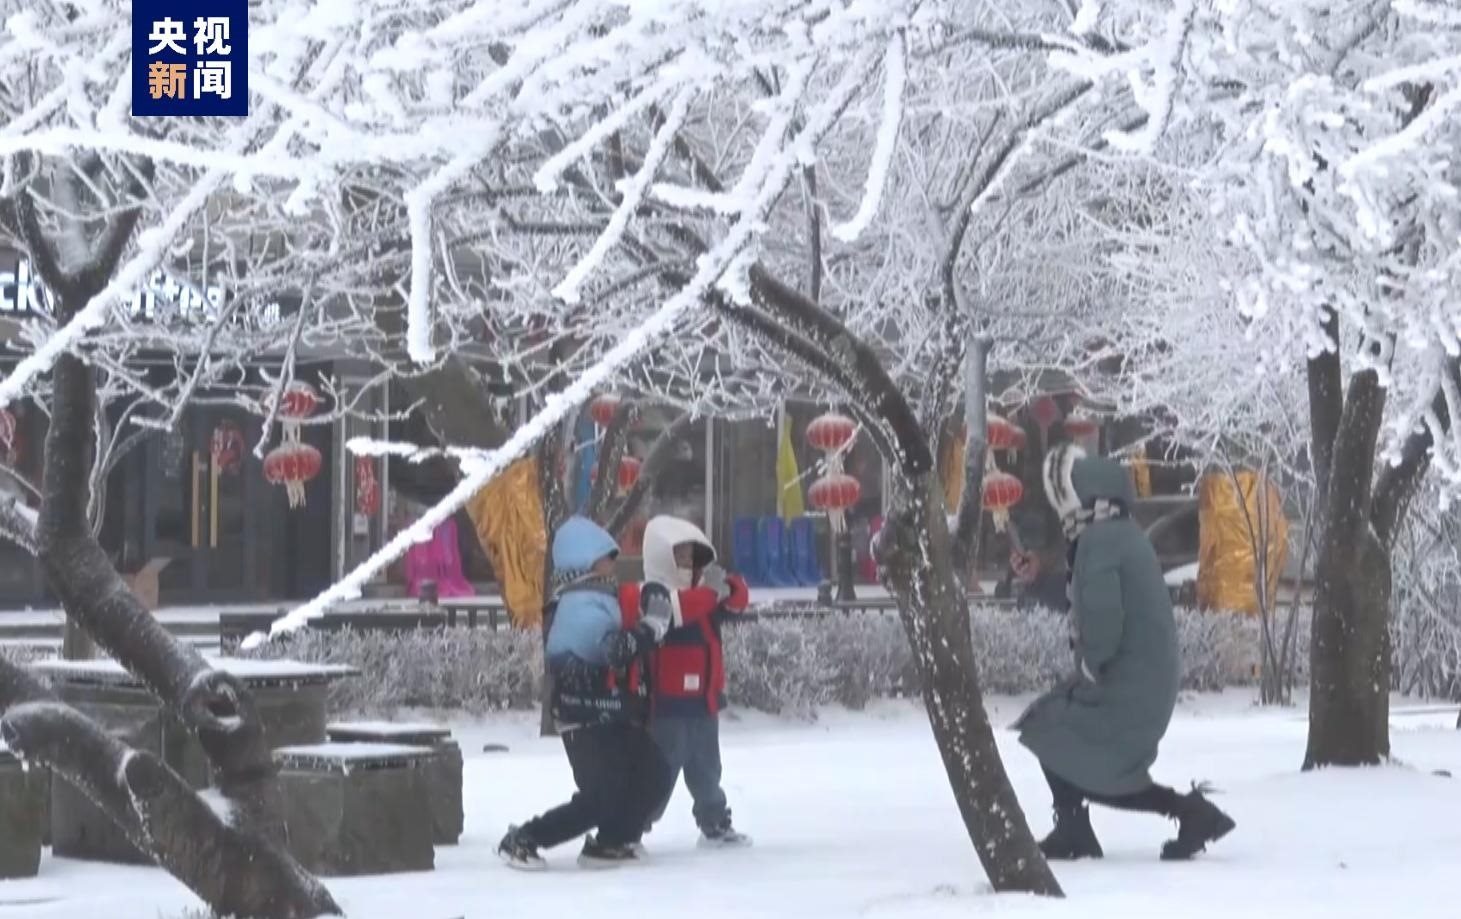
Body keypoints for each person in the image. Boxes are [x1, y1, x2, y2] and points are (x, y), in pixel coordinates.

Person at [1014, 444, 1235, 862]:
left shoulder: (1099, 542)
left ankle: (1176, 814)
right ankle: (1178, 814)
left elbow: (1101, 618)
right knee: (1068, 746)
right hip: (1140, 681)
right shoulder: (1116, 534)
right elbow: (1087, 598)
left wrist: (1089, 666)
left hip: (1127, 685)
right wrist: (1040, 578)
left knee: (1054, 733)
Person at [497, 516, 673, 871]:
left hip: (611, 710)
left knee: (652, 772)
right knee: (601, 796)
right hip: (584, 716)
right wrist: (651, 627)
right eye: (607, 557)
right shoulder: (580, 605)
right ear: (585, 560)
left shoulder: (598, 597)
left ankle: (613, 840)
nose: (613, 564)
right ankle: (525, 838)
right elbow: (615, 651)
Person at [627, 515, 753, 848]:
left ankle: (714, 822)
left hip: (704, 701)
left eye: (691, 556)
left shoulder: (703, 592)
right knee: (661, 772)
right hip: (668, 705)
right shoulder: (654, 592)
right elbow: (676, 612)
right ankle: (631, 826)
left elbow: (736, 605)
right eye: (680, 555)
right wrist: (711, 592)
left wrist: (729, 583)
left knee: (707, 770)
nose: (687, 563)